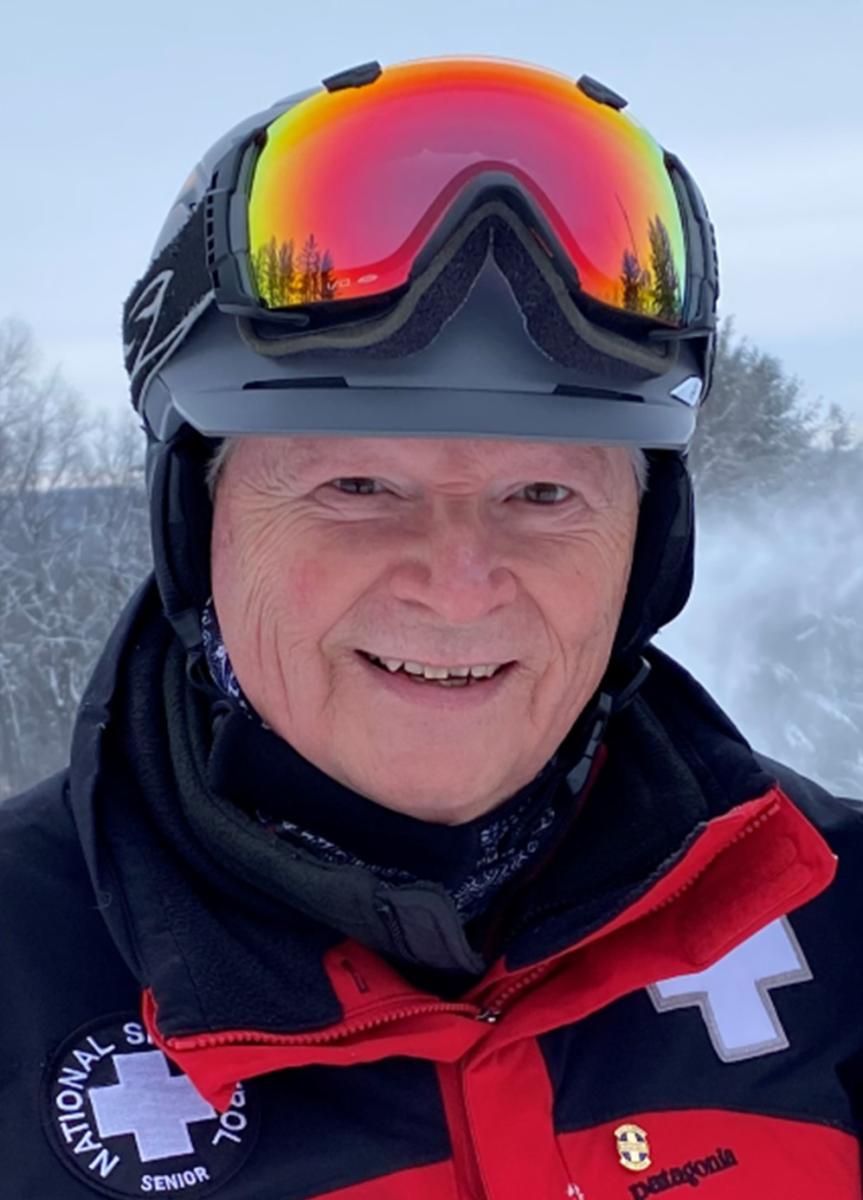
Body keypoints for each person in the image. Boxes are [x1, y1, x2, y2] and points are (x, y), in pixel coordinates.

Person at [1, 55, 860, 1200]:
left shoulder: (835, 916)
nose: (459, 587)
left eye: (542, 495)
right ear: (197, 527)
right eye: (357, 487)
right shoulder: (21, 976)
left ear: (646, 550)